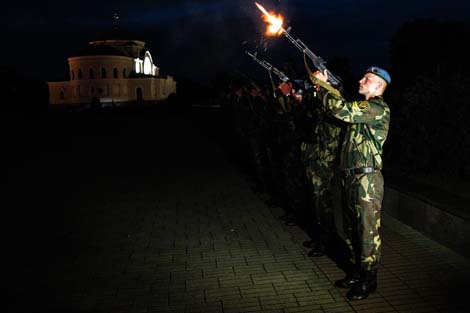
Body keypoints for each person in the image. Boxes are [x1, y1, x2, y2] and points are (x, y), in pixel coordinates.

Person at [311, 66, 391, 300]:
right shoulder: (362, 110)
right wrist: (326, 91)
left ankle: (369, 279)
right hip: (351, 177)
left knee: (366, 231)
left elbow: (342, 110)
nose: (361, 79)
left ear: (378, 86)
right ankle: (356, 270)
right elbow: (336, 113)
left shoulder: (376, 107)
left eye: (367, 78)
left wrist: (322, 86)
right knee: (350, 229)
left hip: (367, 180)